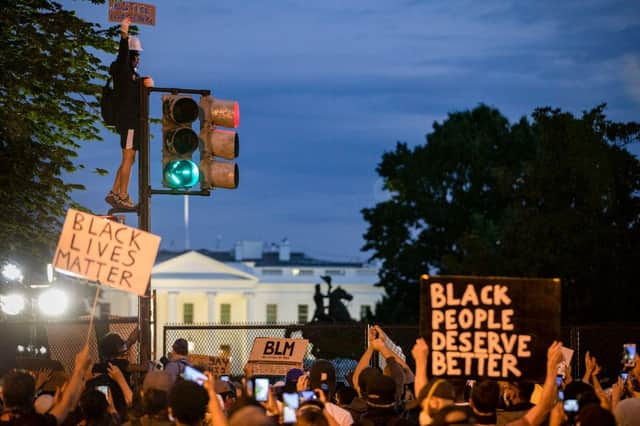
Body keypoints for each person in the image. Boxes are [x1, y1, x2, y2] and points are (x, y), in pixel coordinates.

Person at [105, 17, 154, 210]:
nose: (139, 59)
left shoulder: (130, 75)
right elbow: (122, 53)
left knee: (130, 158)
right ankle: (122, 195)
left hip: (130, 121)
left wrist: (144, 84)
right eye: (137, 55)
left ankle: (114, 191)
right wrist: (124, 32)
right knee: (127, 157)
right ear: (132, 56)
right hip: (128, 122)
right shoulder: (124, 69)